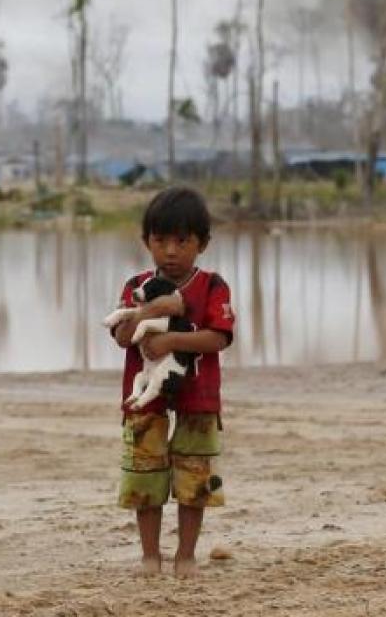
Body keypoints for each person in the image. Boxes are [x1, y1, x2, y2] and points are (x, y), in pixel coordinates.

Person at [109, 185, 235, 578]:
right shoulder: (137, 286)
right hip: (145, 398)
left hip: (199, 396)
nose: (171, 252)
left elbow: (219, 338)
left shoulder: (212, 286)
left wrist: (171, 341)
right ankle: (150, 555)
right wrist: (150, 309)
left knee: (194, 476)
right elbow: (123, 338)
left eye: (183, 241)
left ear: (203, 244)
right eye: (160, 241)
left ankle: (185, 555)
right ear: (146, 241)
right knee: (144, 474)